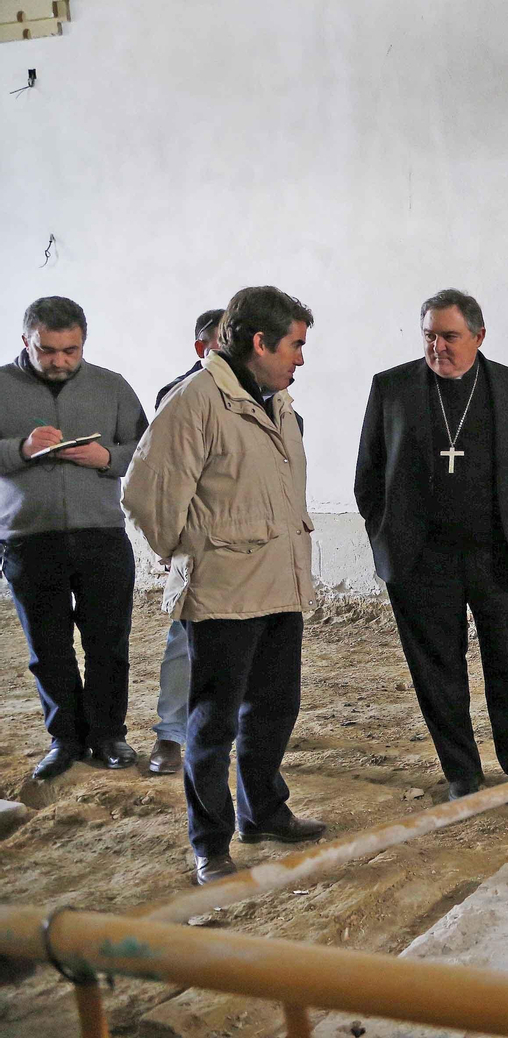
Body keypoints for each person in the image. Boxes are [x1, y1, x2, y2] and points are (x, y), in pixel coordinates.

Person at [124, 285, 324, 884]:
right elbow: (147, 494)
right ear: (260, 342)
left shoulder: (278, 402)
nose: (301, 358)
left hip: (280, 585)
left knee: (275, 708)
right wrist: (188, 553)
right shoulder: (195, 401)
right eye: (295, 345)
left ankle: (262, 812)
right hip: (222, 593)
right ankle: (210, 843)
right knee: (213, 725)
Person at [354, 289, 508, 804]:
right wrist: (386, 536)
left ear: (479, 336)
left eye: (449, 336)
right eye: (429, 336)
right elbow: (369, 476)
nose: (437, 347)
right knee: (438, 671)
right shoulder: (392, 388)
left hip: (501, 555)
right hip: (422, 560)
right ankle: (461, 770)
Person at [1, 297, 147, 781]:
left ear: (84, 342)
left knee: (109, 644)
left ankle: (108, 736)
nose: (60, 360)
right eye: (47, 350)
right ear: (26, 341)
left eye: (71, 350)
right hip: (28, 539)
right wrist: (20, 448)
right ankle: (64, 739)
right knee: (49, 649)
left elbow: (148, 451)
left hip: (102, 536)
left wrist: (107, 459)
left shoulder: (113, 386)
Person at [146, 308, 225, 775]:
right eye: (224, 342)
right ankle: (171, 733)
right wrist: (168, 540)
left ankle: (241, 729)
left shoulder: (275, 399)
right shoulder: (177, 396)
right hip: (197, 540)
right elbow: (163, 478)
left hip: (255, 543)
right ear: (202, 347)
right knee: (185, 638)